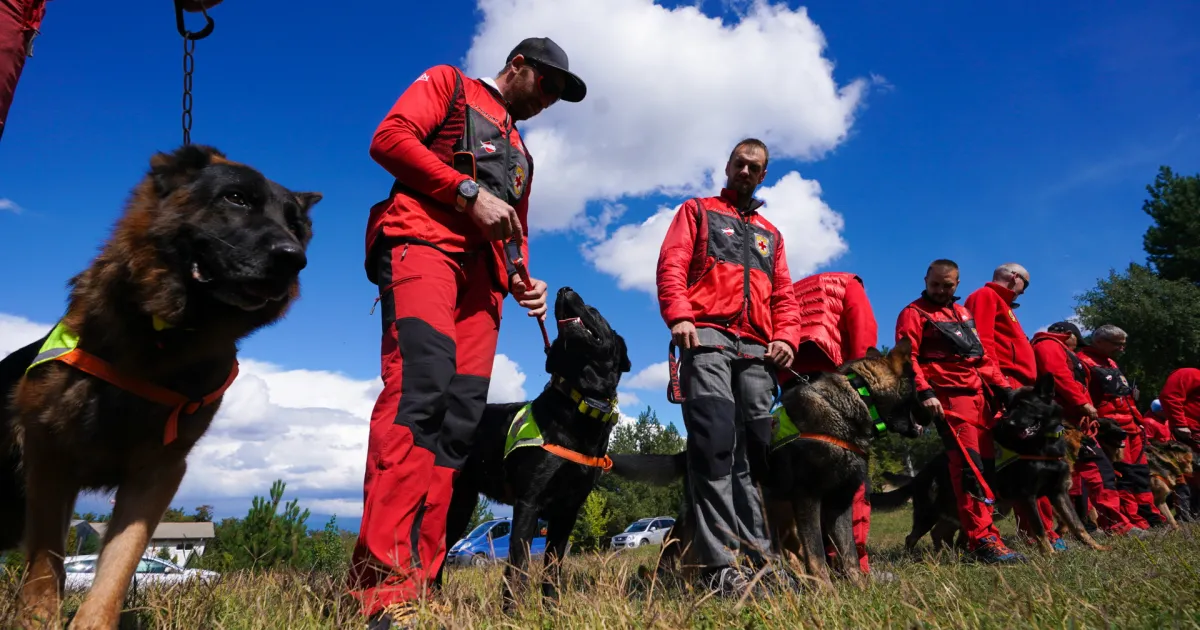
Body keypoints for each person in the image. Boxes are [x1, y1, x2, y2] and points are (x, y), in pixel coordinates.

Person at [350, 37, 587, 627]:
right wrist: (465, 190)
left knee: (458, 423)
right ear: (519, 66)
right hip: (422, 248)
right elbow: (389, 139)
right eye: (549, 85)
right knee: (418, 395)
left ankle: (422, 583)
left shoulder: (523, 156)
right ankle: (379, 588)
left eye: (561, 95)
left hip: (483, 288)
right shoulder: (448, 84)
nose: (552, 100)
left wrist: (521, 279)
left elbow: (516, 233)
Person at [656, 138, 802, 593]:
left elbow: (785, 296)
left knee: (755, 456)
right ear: (727, 166)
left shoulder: (771, 235)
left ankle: (760, 561)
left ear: (763, 176)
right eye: (740, 163)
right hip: (707, 338)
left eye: (754, 167)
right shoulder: (697, 211)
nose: (745, 171)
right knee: (715, 447)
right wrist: (679, 314)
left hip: (759, 351)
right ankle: (720, 568)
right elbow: (672, 263)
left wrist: (787, 337)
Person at [894, 259, 1026, 564]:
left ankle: (984, 537)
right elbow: (906, 357)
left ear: (958, 284)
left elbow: (980, 357)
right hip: (949, 399)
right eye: (935, 284)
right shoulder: (913, 313)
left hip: (979, 396)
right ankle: (981, 542)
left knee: (986, 469)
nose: (940, 290)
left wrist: (1004, 389)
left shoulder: (962, 313)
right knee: (971, 468)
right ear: (925, 279)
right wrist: (925, 392)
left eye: (948, 285)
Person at [964, 264, 1066, 551]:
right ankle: (1038, 534)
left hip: (1020, 391)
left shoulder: (1004, 306)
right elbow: (982, 343)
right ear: (1014, 278)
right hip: (1008, 392)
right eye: (1026, 285)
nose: (1024, 291)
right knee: (1025, 464)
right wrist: (1001, 387)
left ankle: (1041, 532)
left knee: (1033, 461)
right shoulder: (985, 296)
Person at [782, 272, 878, 574]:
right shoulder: (849, 283)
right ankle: (854, 565)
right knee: (849, 476)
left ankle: (813, 559)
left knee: (805, 480)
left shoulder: (795, 289)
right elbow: (863, 331)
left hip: (792, 386)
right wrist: (864, 387)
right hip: (834, 384)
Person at [1031, 322, 1142, 537]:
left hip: (1072, 423)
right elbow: (1058, 375)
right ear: (1068, 334)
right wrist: (1082, 403)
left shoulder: (1056, 348)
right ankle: (1113, 525)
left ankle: (1091, 526)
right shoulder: (1049, 344)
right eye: (1076, 342)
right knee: (1095, 472)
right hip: (1065, 422)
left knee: (1084, 476)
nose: (1076, 348)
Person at [1078, 325, 1166, 530]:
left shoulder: (1111, 362)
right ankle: (1131, 519)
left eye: (1123, 345)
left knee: (1140, 474)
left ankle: (1150, 517)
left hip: (1133, 426)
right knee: (1123, 475)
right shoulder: (1084, 362)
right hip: (1113, 430)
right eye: (1117, 344)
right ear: (1099, 341)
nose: (1121, 349)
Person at [1159, 367, 1200, 520]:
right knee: (1187, 476)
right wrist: (1180, 423)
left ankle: (1194, 516)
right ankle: (1185, 517)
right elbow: (1170, 396)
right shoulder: (1190, 374)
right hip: (1190, 435)